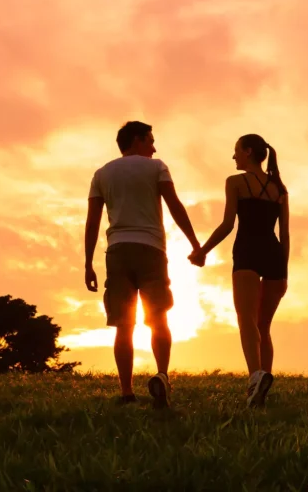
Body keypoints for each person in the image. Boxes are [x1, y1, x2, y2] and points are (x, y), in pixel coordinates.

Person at [84, 121, 202, 408]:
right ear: (137, 140)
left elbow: (92, 221)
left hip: (117, 251)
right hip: (151, 249)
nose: (154, 147)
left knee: (123, 325)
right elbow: (174, 205)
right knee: (158, 317)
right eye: (150, 140)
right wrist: (194, 243)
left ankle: (126, 392)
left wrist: (88, 263)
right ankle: (161, 376)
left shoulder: (102, 174)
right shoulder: (156, 167)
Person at [188, 134, 290, 408]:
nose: (233, 156)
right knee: (263, 325)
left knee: (246, 319)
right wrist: (285, 271)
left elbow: (227, 225)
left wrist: (202, 251)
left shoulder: (235, 182)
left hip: (247, 252)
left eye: (236, 151)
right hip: (274, 255)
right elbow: (285, 234)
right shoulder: (279, 188)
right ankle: (263, 383)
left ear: (247, 152)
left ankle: (255, 378)